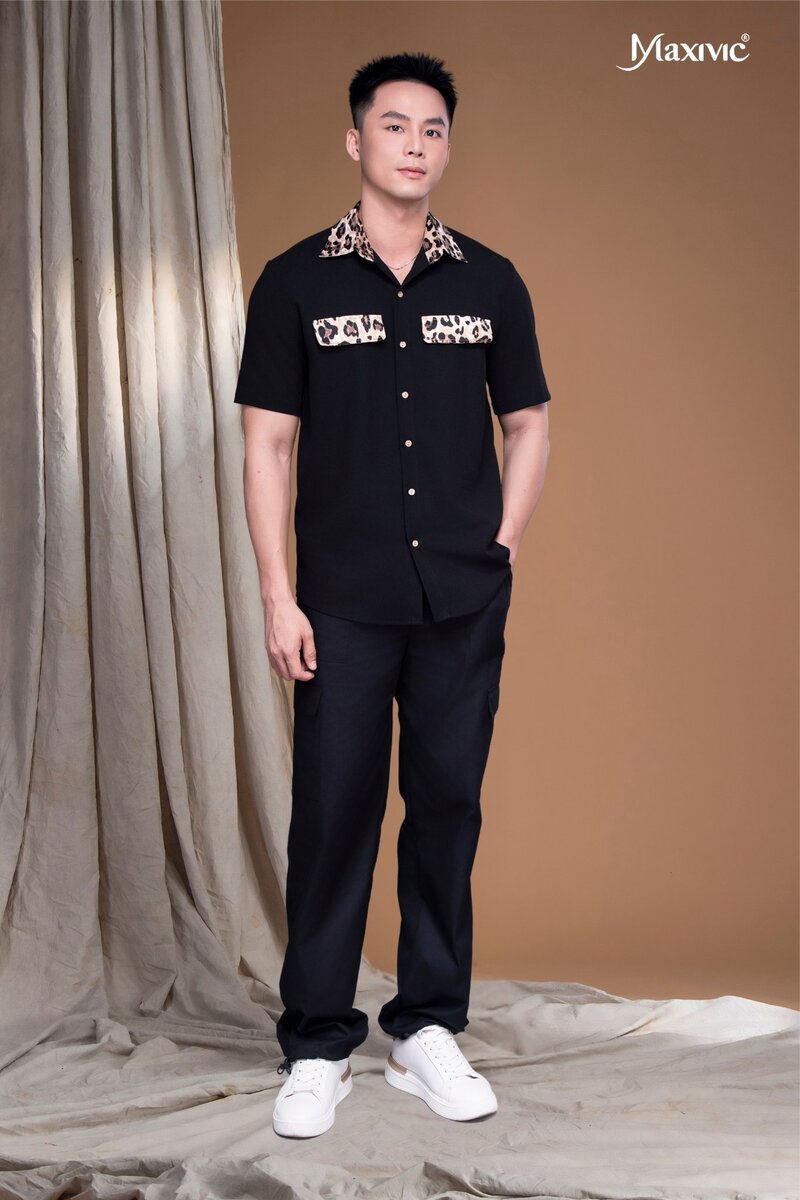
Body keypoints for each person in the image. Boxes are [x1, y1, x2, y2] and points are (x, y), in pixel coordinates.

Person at [234, 50, 552, 1139]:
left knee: (448, 806)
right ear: (355, 140)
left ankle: (424, 1032)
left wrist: (501, 543)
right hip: (340, 601)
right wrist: (278, 598)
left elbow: (529, 423)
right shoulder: (295, 283)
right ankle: (318, 1042)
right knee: (334, 815)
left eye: (433, 129)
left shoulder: (490, 281)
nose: (415, 144)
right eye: (394, 125)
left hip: (462, 598)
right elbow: (268, 446)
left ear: (446, 148)